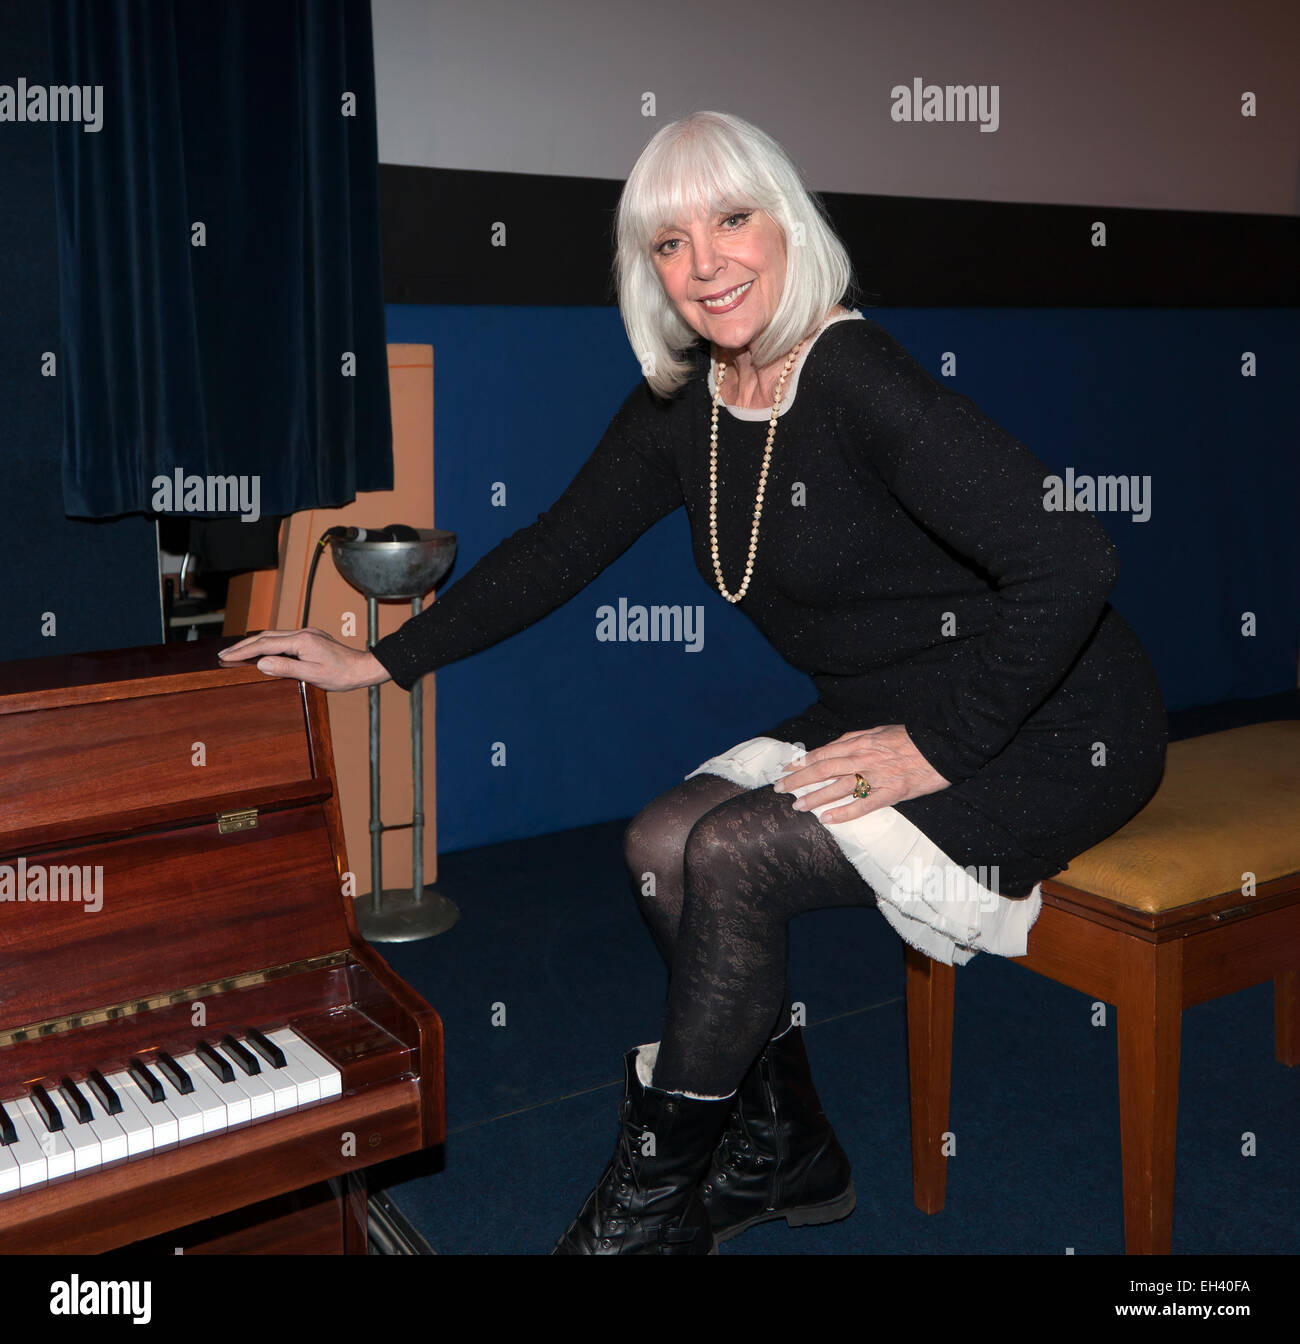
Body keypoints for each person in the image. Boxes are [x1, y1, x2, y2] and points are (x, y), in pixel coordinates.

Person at [220, 110, 1167, 1255]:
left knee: (730, 853)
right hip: (896, 707)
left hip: (1048, 720)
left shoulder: (854, 372)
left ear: (789, 227)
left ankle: (646, 1215)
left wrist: (941, 749)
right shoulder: (687, 408)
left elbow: (1075, 555)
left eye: (730, 220)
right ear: (647, 270)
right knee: (662, 842)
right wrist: (374, 660)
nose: (704, 262)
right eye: (669, 241)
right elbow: (556, 549)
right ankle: (786, 1150)